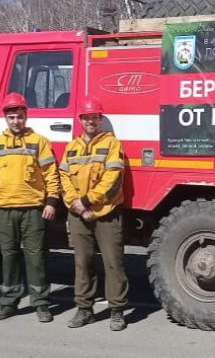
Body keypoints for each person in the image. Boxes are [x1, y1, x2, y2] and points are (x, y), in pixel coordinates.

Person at [0, 92, 61, 323]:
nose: (16, 121)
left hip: (33, 209)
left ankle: (41, 303)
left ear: (26, 116)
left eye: (20, 116)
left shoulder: (39, 142)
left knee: (35, 257)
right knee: (9, 257)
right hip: (4, 209)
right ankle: (8, 301)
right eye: (12, 117)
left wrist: (52, 200)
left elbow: (50, 174)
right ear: (6, 118)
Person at [59, 97, 129, 331]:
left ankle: (117, 310)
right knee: (82, 263)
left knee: (113, 263)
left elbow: (114, 179)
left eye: (94, 117)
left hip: (106, 213)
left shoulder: (112, 144)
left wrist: (88, 201)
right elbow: (64, 179)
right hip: (78, 213)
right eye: (86, 117)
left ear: (100, 119)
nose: (90, 121)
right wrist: (75, 204)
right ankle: (84, 309)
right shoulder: (72, 147)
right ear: (80, 120)